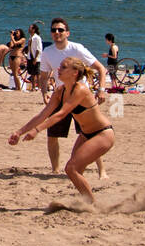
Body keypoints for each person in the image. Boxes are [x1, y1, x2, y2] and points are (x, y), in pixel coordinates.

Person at [9, 56, 114, 204]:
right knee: (75, 171)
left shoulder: (81, 89)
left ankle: (92, 205)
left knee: (71, 168)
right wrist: (19, 132)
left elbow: (61, 114)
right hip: (86, 135)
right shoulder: (60, 91)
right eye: (60, 66)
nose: (58, 69)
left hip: (103, 134)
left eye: (63, 67)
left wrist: (37, 130)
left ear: (75, 73)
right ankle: (86, 201)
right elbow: (43, 114)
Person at [37, 19, 108, 178]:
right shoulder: (47, 52)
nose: (57, 33)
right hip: (60, 95)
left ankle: (101, 171)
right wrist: (44, 92)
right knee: (52, 136)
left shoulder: (77, 49)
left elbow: (101, 69)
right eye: (54, 30)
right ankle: (55, 170)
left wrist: (101, 90)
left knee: (90, 134)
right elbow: (43, 76)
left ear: (67, 33)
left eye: (60, 30)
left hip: (80, 97)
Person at [26, 23, 43, 93]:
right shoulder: (30, 37)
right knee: (32, 73)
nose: (29, 29)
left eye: (30, 28)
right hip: (30, 57)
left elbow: (38, 49)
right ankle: (33, 87)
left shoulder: (37, 38)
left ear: (34, 29)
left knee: (37, 73)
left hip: (36, 58)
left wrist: (35, 58)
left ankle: (38, 87)